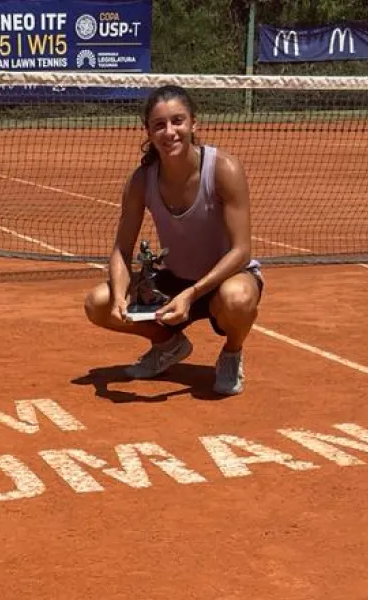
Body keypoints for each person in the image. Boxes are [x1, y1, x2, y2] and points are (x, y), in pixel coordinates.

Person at [84, 84, 264, 396]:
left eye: (178, 121)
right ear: (149, 132)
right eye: (160, 125)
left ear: (195, 124)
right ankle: (168, 345)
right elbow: (121, 250)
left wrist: (192, 295)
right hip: (172, 281)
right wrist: (118, 298)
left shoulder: (224, 169)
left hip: (224, 280)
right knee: (97, 303)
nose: (170, 132)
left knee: (238, 299)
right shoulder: (141, 180)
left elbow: (241, 250)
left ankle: (232, 352)